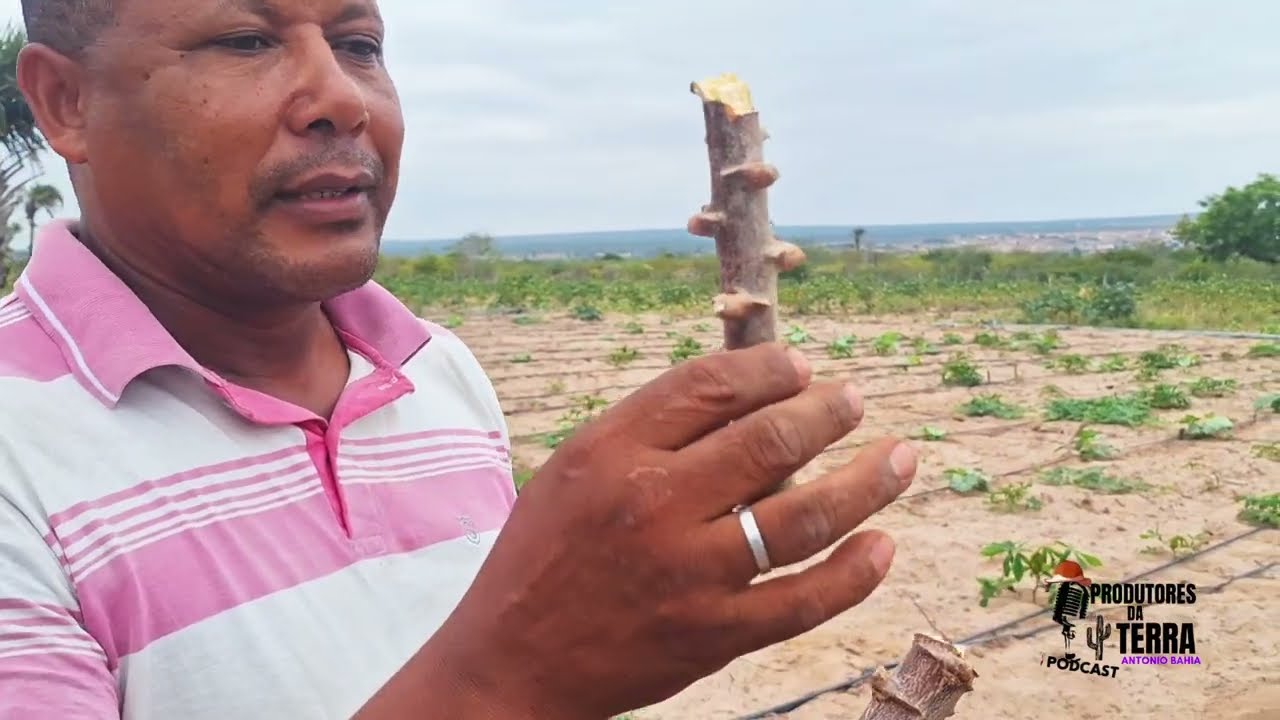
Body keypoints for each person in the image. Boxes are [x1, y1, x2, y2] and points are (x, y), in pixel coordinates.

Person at [0, 0, 918, 718]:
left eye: (360, 44)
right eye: (245, 39)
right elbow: (511, 676)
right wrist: (522, 676)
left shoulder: (438, 372)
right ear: (66, 103)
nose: (342, 99)